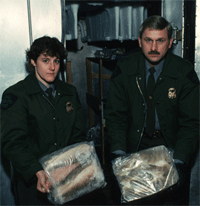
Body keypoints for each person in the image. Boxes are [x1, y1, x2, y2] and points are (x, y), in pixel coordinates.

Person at [105, 15, 199, 205]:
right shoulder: (125, 68)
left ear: (171, 42)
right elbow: (116, 117)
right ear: (140, 42)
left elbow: (191, 123)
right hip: (134, 149)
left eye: (160, 41)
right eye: (148, 40)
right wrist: (118, 155)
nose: (154, 48)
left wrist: (180, 161)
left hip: (169, 150)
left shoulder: (184, 72)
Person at [1, 36, 86, 205]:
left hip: (67, 178)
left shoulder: (69, 92)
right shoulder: (16, 95)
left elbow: (78, 135)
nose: (52, 67)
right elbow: (12, 143)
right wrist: (36, 170)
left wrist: (72, 166)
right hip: (33, 182)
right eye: (45, 60)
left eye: (56, 61)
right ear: (33, 62)